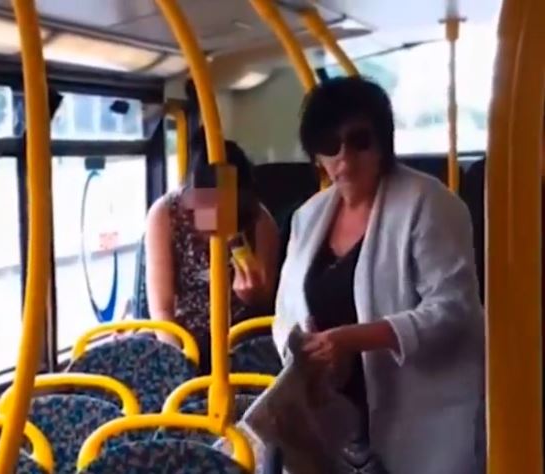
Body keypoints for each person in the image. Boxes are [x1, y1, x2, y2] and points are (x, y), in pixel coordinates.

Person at [273, 76, 485, 473]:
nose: (344, 158)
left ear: (384, 142)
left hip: (422, 420)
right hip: (336, 427)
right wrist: (309, 353)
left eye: (359, 141)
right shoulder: (308, 217)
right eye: (329, 145)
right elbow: (286, 311)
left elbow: (454, 309)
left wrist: (355, 339)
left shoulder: (429, 203)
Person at [145, 128, 280, 375]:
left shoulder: (259, 220)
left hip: (241, 335)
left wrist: (253, 295)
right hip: (183, 334)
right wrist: (182, 361)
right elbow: (162, 309)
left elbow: (267, 300)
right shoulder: (165, 215)